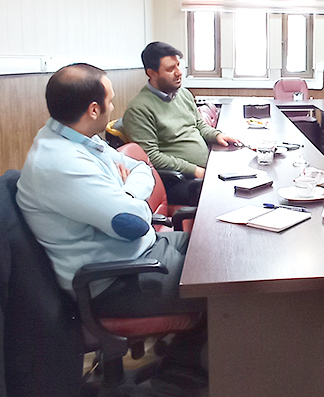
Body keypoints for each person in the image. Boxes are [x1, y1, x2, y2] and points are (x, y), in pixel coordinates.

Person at [16, 64, 207, 388]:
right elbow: (131, 223)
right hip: (113, 280)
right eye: (110, 101)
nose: (113, 107)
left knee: (210, 251)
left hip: (139, 253)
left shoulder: (78, 137)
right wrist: (130, 194)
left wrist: (125, 190)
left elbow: (142, 167)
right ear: (94, 109)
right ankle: (173, 384)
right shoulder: (63, 163)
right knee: (221, 291)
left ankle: (177, 369)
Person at [123, 41, 240, 205]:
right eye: (170, 69)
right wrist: (194, 170)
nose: (179, 73)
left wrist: (217, 135)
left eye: (178, 65)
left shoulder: (183, 94)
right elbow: (151, 157)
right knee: (226, 195)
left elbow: (199, 126)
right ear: (152, 73)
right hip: (177, 180)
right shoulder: (138, 109)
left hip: (204, 168)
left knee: (244, 175)